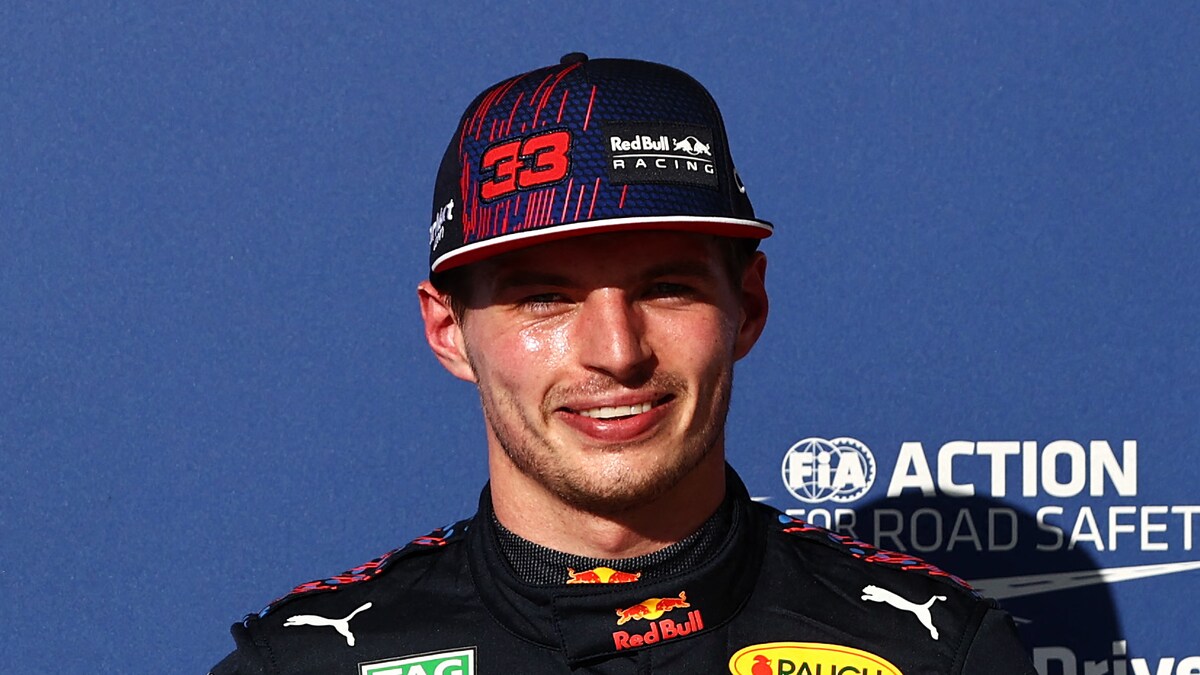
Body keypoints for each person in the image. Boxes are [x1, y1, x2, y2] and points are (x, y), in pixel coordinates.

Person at [211, 53, 1037, 674]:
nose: (617, 350)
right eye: (545, 298)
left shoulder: (935, 653)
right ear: (448, 330)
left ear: (748, 305)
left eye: (667, 287)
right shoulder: (305, 664)